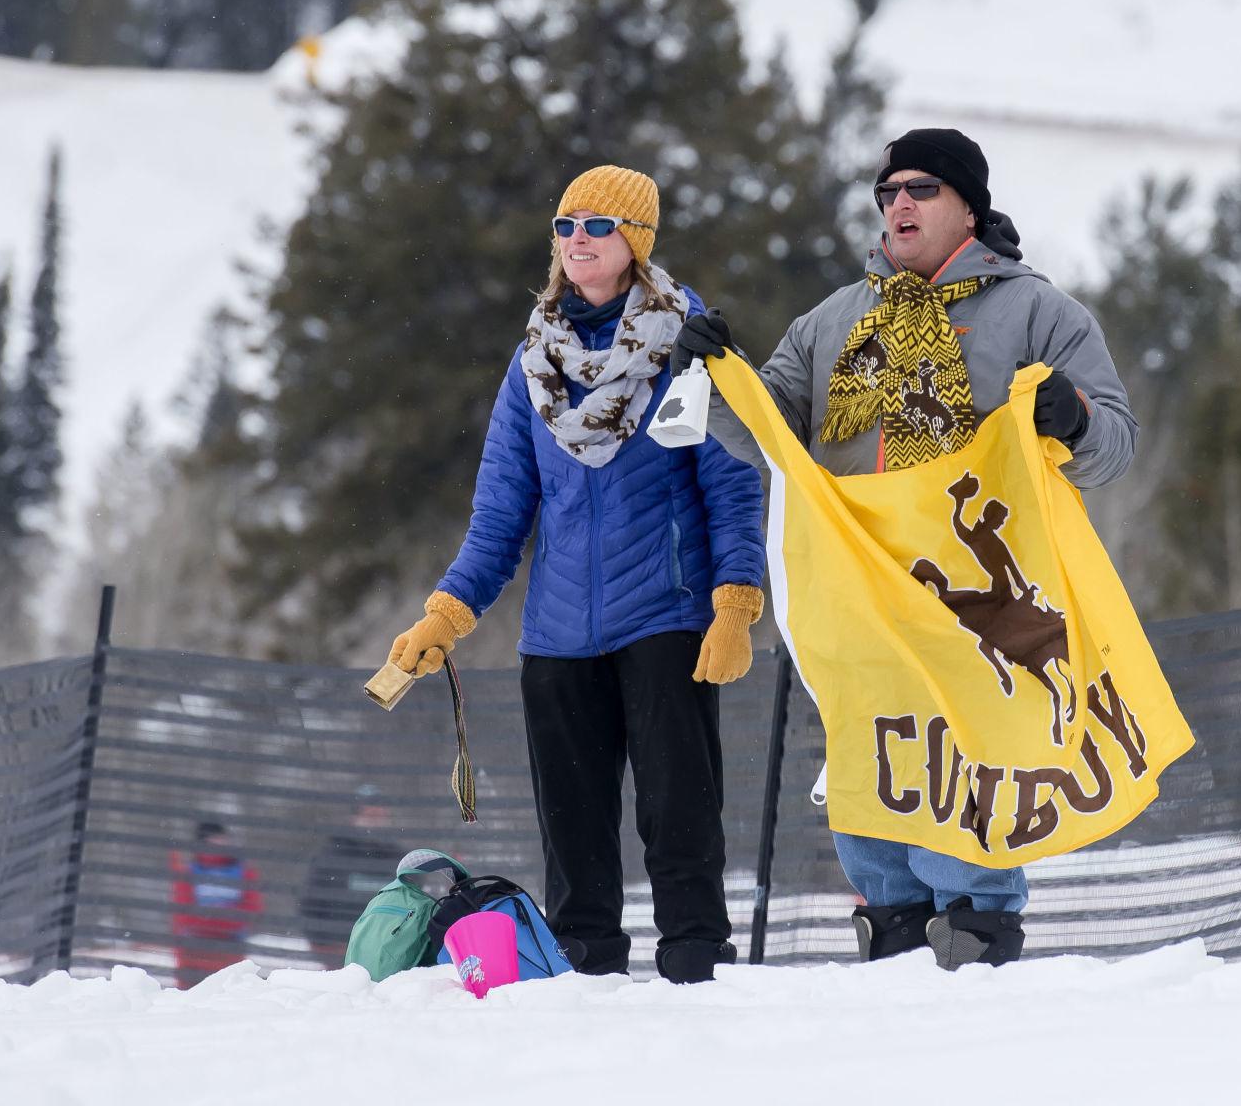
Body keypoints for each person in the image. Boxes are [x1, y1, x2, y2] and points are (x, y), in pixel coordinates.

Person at [676, 128, 1139, 970]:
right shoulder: (834, 322)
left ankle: (977, 938)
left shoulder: (1037, 312)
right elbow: (767, 434)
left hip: (974, 605)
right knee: (875, 772)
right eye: (888, 189)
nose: (899, 202)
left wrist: (1071, 418)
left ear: (969, 204)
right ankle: (890, 939)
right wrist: (713, 379)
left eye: (921, 187)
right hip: (859, 602)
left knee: (972, 777)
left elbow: (1116, 445)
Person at [382, 165, 766, 985]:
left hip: (666, 614)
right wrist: (445, 616)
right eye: (565, 226)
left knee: (678, 806)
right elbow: (499, 515)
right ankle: (586, 960)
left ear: (637, 240)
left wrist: (736, 601)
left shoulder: (688, 347)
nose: (578, 239)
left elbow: (733, 483)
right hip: (557, 632)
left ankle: (696, 955)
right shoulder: (532, 364)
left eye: (598, 224)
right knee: (572, 818)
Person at [298, 786, 405, 964]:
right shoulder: (330, 856)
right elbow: (309, 903)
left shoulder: (399, 860)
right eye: (369, 815)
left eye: (379, 816)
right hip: (338, 953)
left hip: (386, 955)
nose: (375, 822)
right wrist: (323, 944)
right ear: (354, 817)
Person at [169, 820, 262, 989]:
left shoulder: (244, 872)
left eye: (222, 838)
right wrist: (225, 918)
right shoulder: (188, 872)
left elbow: (251, 909)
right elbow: (184, 915)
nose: (219, 844)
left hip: (230, 951)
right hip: (193, 953)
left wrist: (208, 918)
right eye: (213, 839)